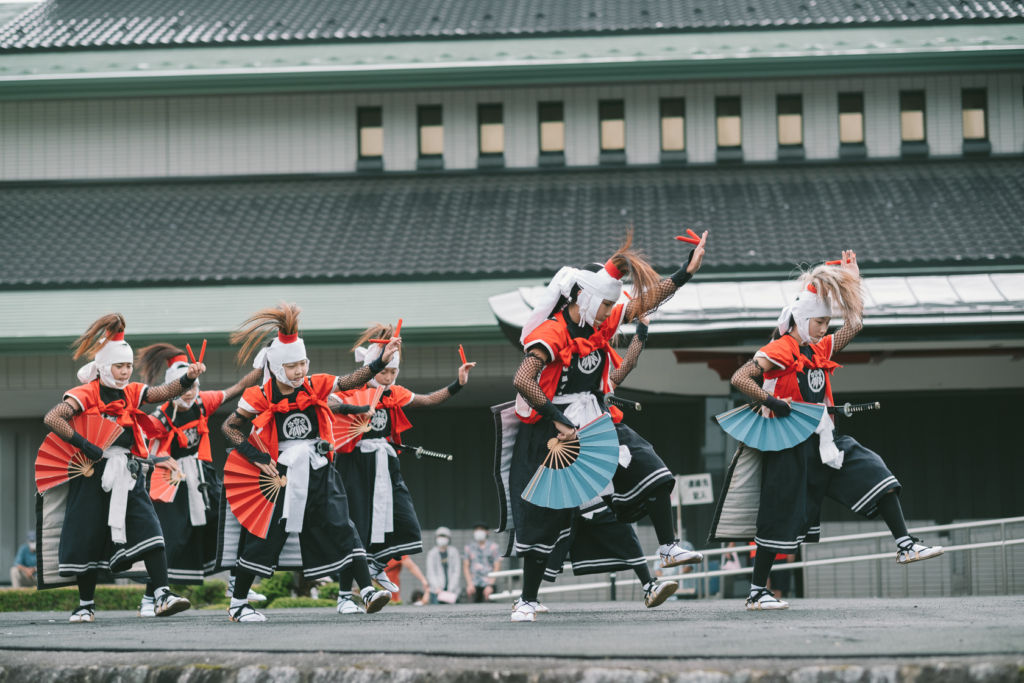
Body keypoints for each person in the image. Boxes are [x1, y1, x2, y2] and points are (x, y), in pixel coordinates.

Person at [709, 252, 943, 611]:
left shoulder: (819, 348)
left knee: (876, 471)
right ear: (802, 319)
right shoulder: (782, 348)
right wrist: (772, 403)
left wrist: (853, 281)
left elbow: (856, 324)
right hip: (788, 445)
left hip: (826, 440)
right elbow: (741, 377)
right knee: (779, 516)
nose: (824, 328)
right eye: (819, 322)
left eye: (826, 322)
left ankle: (906, 544)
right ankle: (757, 591)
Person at [498, 229, 708, 622]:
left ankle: (668, 546)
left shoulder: (601, 323)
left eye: (614, 303)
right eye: (607, 302)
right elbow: (523, 381)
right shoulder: (551, 332)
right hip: (549, 432)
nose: (613, 309)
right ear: (585, 296)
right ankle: (526, 598)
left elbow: (642, 303)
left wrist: (684, 274)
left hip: (594, 417)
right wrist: (559, 422)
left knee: (651, 467)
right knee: (546, 515)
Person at [219, 303, 398, 622]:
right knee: (265, 537)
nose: (299, 371)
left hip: (320, 468)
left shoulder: (315, 384)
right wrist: (258, 458)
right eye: (292, 366)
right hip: (280, 476)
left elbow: (350, 381)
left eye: (302, 363)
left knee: (343, 525)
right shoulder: (260, 395)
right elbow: (230, 426)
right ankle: (239, 604)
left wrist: (379, 363)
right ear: (276, 367)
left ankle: (365, 590)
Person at [39, 314, 200, 622]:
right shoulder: (85, 392)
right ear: (103, 367)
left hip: (127, 470)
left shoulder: (131, 392)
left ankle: (162, 594)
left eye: (128, 366)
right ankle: (85, 604)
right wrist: (86, 445)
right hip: (90, 471)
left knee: (149, 525)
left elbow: (160, 393)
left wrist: (188, 379)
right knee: (86, 533)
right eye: (120, 366)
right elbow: (53, 418)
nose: (126, 372)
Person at [524, 315, 680, 613]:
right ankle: (527, 597)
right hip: (562, 440)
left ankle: (650, 582)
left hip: (595, 437)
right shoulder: (555, 343)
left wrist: (642, 333)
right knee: (548, 521)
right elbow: (528, 383)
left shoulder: (600, 353)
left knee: (611, 517)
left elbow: (622, 371)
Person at [332, 323, 475, 607]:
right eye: (383, 371)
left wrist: (457, 384)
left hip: (386, 463)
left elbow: (428, 400)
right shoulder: (353, 389)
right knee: (356, 529)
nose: (387, 377)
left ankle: (375, 565)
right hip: (355, 464)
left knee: (406, 521)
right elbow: (330, 402)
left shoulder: (393, 392)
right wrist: (358, 409)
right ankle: (344, 596)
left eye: (393, 372)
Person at [136, 343, 264, 617]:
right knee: (169, 537)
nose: (190, 393)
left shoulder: (204, 401)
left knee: (228, 522)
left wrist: (263, 367)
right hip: (172, 481)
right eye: (183, 388)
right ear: (172, 390)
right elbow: (138, 448)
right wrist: (158, 460)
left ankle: (234, 581)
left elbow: (236, 389)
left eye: (193, 387)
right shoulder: (159, 417)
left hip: (203, 476)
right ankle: (150, 597)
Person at [463, 523, 501, 603]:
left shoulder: (494, 547)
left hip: (488, 584)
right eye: (477, 530)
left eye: (481, 530)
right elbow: (466, 566)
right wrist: (469, 584)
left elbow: (497, 567)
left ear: (487, 532)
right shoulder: (469, 547)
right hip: (473, 584)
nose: (479, 532)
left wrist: (490, 585)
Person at [425, 527, 461, 603]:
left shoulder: (454, 552)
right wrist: (437, 587)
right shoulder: (432, 553)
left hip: (452, 591)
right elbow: (431, 573)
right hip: (436, 592)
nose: (442, 539)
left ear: (449, 538)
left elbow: (456, 572)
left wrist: (451, 588)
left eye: (444, 536)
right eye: (440, 536)